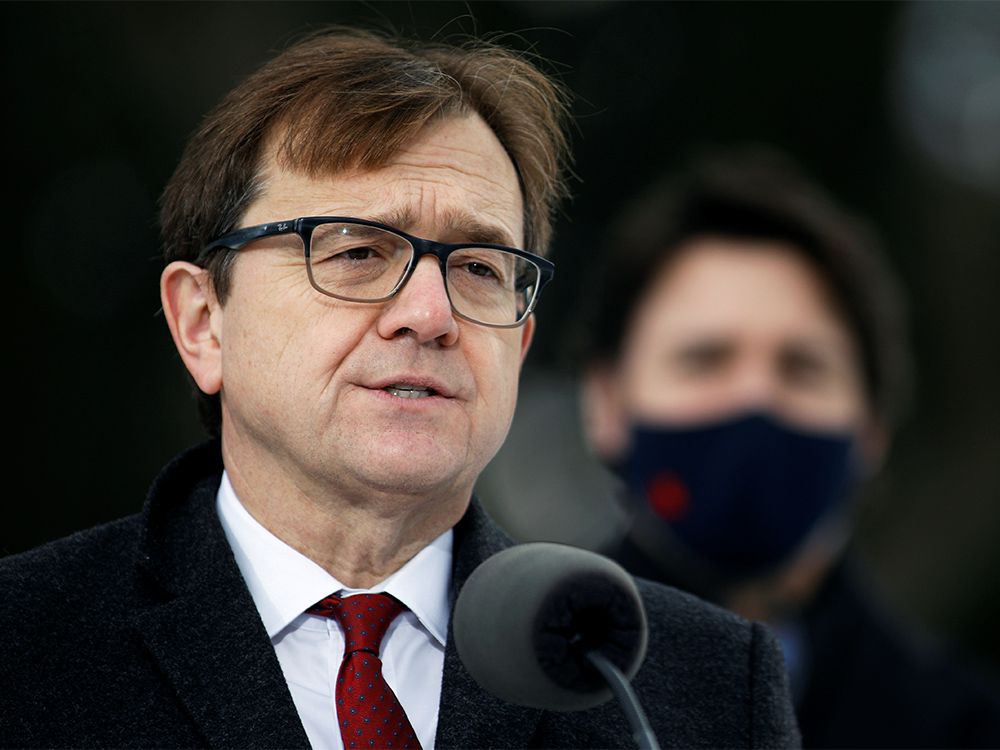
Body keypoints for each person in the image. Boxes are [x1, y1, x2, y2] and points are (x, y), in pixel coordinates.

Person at [0, 28, 800, 749]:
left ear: (519, 346)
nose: (430, 314)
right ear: (204, 323)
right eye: (355, 252)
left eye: (481, 269)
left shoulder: (698, 687)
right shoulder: (25, 645)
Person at [579, 149, 1000, 748]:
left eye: (802, 367)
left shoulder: (966, 726)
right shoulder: (512, 697)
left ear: (873, 427)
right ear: (607, 406)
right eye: (705, 359)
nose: (756, 395)